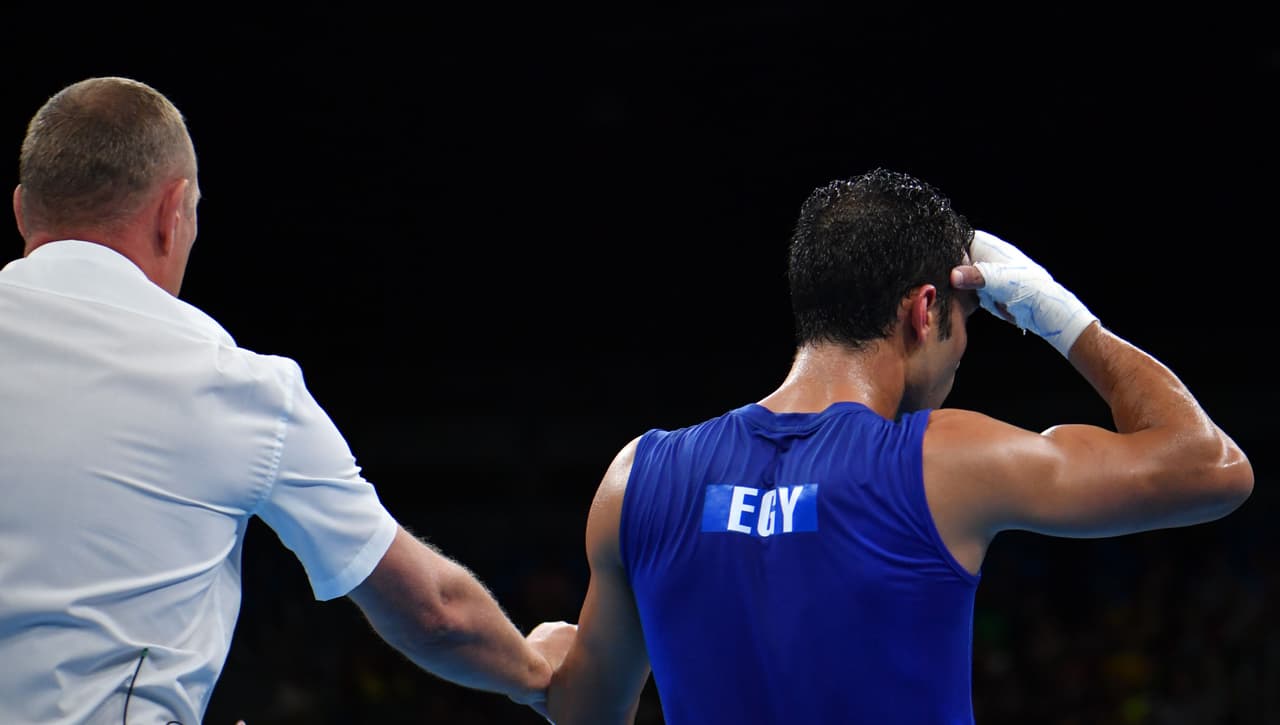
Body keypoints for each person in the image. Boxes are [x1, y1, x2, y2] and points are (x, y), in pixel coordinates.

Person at [545, 167, 1254, 724]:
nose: (963, 350)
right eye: (967, 319)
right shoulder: (941, 461)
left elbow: (584, 710)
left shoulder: (637, 478)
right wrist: (1062, 318)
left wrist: (550, 662)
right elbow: (1212, 467)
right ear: (924, 309)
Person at [0, 75, 575, 724]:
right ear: (174, 211)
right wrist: (538, 669)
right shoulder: (229, 382)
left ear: (22, 211)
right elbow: (434, 613)